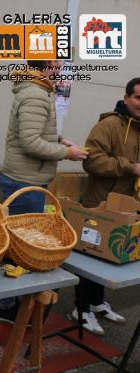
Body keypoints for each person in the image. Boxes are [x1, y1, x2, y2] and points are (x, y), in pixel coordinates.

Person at [0, 60, 88, 324]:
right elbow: (30, 142)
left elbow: (36, 132)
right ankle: (4, 305)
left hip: (27, 177)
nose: (62, 67)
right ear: (49, 62)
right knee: (17, 245)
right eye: (59, 61)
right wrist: (68, 153)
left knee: (14, 240)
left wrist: (59, 140)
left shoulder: (39, 88)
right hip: (24, 180)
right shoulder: (36, 92)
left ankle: (5, 299)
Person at [70, 78, 140, 335]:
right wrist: (130, 167)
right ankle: (81, 309)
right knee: (90, 255)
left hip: (127, 209)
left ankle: (97, 303)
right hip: (98, 205)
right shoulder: (108, 124)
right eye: (139, 98)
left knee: (108, 258)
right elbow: (92, 162)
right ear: (127, 97)